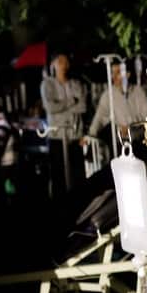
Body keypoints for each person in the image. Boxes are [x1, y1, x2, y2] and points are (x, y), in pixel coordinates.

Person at [40, 53, 87, 191]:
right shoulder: (47, 84)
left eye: (66, 62)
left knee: (77, 176)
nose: (64, 66)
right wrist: (72, 101)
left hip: (74, 135)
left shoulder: (76, 84)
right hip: (57, 136)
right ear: (53, 64)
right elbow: (50, 107)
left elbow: (83, 106)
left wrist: (61, 105)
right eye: (60, 62)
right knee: (58, 176)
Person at [85, 61, 147, 148]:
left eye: (118, 72)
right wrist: (90, 135)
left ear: (127, 74)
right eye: (113, 73)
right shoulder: (109, 94)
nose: (114, 76)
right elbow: (100, 117)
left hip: (141, 141)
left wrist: (131, 127)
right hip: (120, 142)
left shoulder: (138, 91)